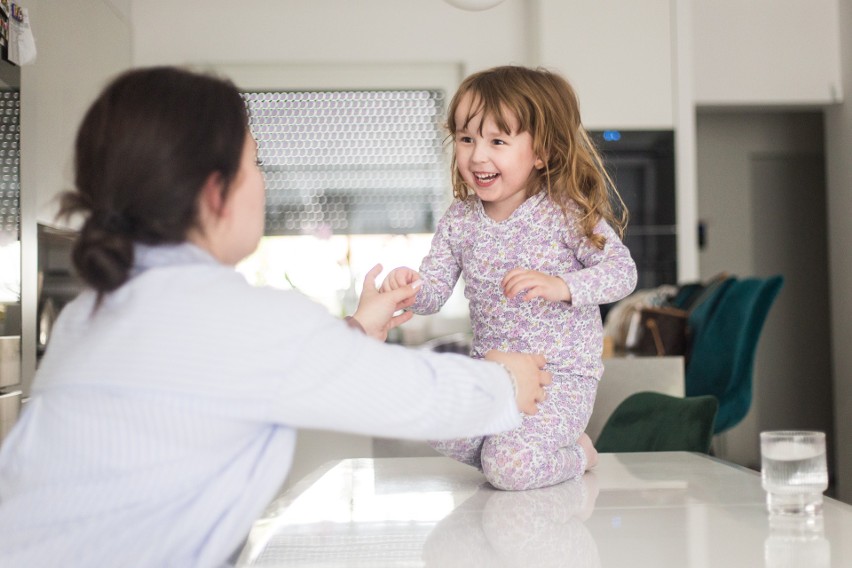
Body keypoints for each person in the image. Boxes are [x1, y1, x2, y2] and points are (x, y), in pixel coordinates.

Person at [0, 66, 553, 568]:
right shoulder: (243, 322)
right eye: (256, 161)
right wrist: (507, 382)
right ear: (217, 192)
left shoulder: (89, 314)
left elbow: (226, 371)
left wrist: (359, 328)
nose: (264, 180)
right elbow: (417, 396)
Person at [381, 65, 638, 491]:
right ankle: (517, 449)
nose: (477, 155)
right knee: (428, 412)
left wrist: (564, 286)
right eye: (467, 139)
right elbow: (434, 291)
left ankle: (576, 453)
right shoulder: (460, 220)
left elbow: (621, 272)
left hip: (561, 379)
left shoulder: (564, 212)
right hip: (495, 376)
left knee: (507, 468)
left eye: (497, 141)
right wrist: (407, 289)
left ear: (541, 152)